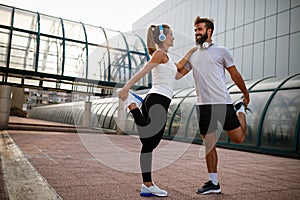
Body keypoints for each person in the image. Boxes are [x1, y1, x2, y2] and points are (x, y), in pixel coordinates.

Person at [117, 24, 196, 197]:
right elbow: (143, 71)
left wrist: (191, 53)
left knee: (148, 143)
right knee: (150, 141)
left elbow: (178, 73)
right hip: (157, 100)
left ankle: (147, 185)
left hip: (156, 100)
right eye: (171, 35)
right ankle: (131, 104)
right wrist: (126, 88)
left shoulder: (165, 57)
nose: (173, 38)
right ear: (162, 37)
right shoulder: (159, 54)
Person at [176, 16, 250, 195]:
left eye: (200, 29)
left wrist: (245, 93)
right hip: (203, 105)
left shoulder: (221, 51)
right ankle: (214, 183)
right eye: (195, 30)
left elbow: (235, 75)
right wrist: (188, 53)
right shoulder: (193, 54)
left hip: (222, 102)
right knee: (209, 144)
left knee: (238, 138)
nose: (196, 33)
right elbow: (178, 74)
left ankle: (239, 110)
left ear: (209, 31)